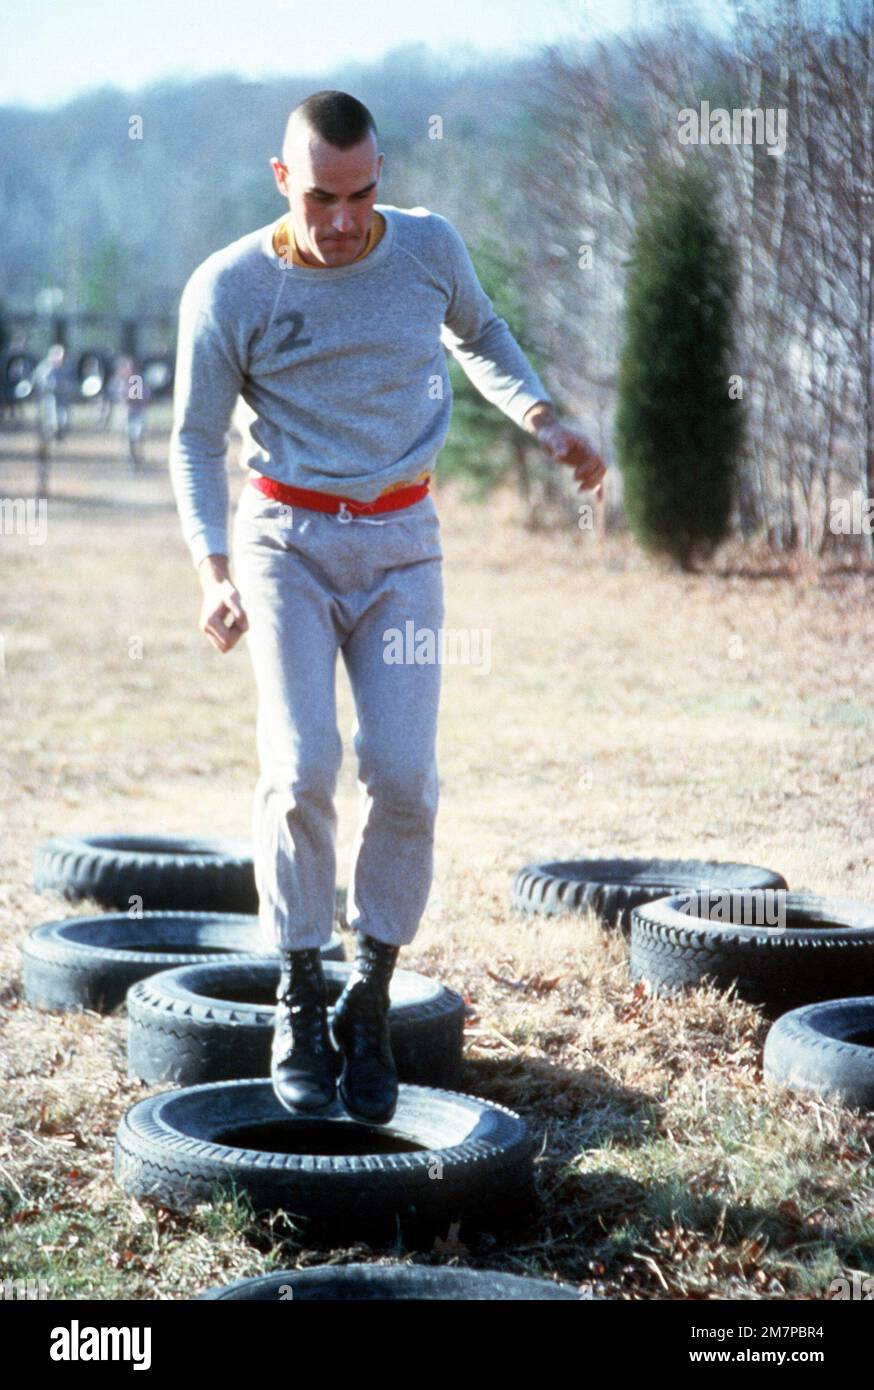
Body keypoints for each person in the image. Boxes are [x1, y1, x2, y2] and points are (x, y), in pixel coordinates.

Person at [169, 90, 606, 1126]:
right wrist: (212, 567)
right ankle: (299, 986)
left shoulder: (422, 249)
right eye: (322, 197)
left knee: (404, 775)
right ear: (284, 181)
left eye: (362, 194)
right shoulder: (231, 283)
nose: (343, 221)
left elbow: (481, 330)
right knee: (299, 766)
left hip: (403, 545)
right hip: (285, 543)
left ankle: (367, 993)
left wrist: (543, 414)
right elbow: (193, 435)